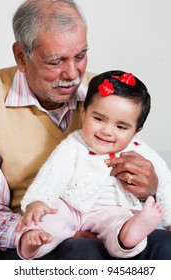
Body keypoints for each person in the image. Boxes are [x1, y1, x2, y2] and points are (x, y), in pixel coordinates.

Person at [0, 0, 171, 260]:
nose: (72, 73)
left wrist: (150, 188)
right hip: (35, 231)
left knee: (166, 246)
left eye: (80, 56)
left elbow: (135, 152)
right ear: (22, 56)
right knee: (83, 252)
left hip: (110, 222)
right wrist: (43, 231)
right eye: (55, 61)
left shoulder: (105, 95)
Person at [16, 70, 167, 260]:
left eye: (121, 127)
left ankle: (129, 235)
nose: (107, 131)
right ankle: (33, 244)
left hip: (111, 209)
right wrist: (38, 201)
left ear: (136, 131)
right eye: (99, 119)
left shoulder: (141, 152)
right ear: (84, 113)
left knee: (119, 221)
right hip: (71, 206)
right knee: (51, 217)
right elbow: (53, 175)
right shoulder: (74, 145)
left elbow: (164, 183)